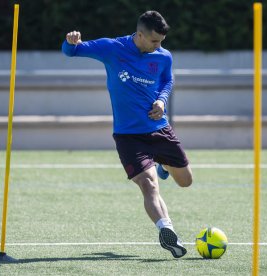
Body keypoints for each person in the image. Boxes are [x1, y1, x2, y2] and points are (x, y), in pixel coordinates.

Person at [62, 10, 193, 258]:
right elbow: (73, 51)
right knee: (148, 184)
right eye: (154, 41)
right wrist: (69, 42)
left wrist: (162, 101)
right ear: (140, 35)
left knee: (185, 181)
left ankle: (163, 165)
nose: (159, 46)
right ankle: (167, 231)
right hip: (128, 136)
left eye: (161, 41)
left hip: (159, 130)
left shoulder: (163, 56)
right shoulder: (112, 48)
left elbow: (167, 80)